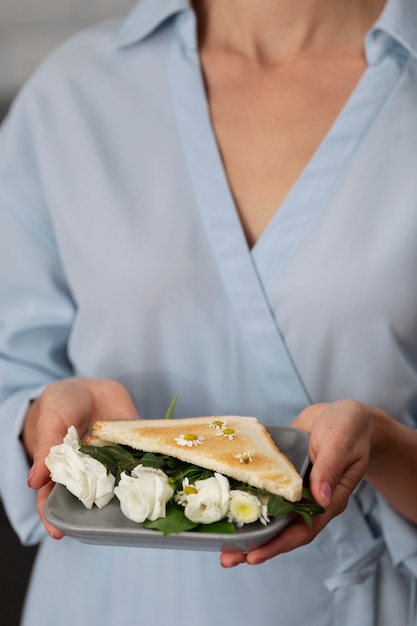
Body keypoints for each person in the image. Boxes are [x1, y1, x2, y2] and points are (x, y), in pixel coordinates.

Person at [0, 0, 416, 624]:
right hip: (107, 604)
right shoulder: (71, 93)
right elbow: (12, 373)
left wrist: (378, 445)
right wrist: (43, 428)